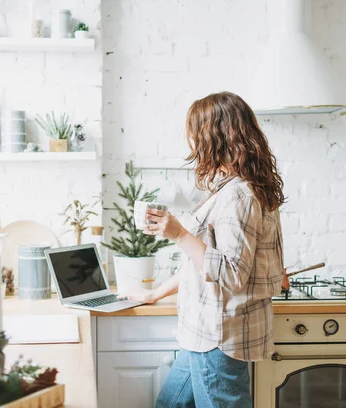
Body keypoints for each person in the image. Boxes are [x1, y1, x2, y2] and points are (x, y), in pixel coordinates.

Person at [123, 92, 285, 408]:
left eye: (196, 136)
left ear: (215, 138)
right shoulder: (234, 189)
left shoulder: (239, 198)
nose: (193, 146)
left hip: (217, 335)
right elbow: (203, 263)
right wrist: (156, 293)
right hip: (205, 332)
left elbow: (231, 273)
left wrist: (179, 233)